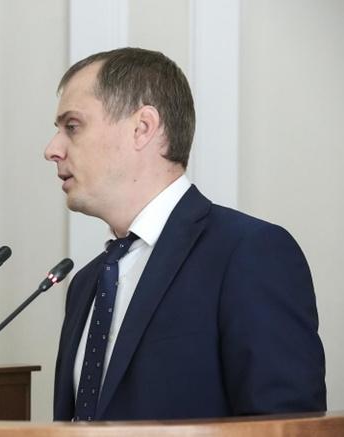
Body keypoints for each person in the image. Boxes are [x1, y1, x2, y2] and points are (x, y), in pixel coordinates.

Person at [45, 47, 326, 422]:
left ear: (142, 128)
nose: (52, 150)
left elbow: (285, 426)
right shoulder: (86, 282)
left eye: (72, 126)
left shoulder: (249, 253)